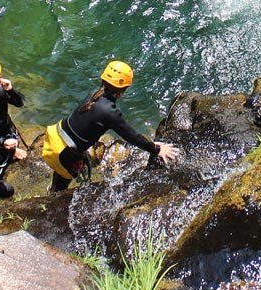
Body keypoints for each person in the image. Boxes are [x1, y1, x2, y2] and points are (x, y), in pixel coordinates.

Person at [42, 61, 180, 192]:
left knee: (62, 173)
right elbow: (132, 137)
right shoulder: (110, 113)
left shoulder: (94, 95)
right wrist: (156, 149)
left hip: (54, 137)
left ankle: (53, 188)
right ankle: (54, 195)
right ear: (123, 90)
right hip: (63, 155)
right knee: (61, 185)